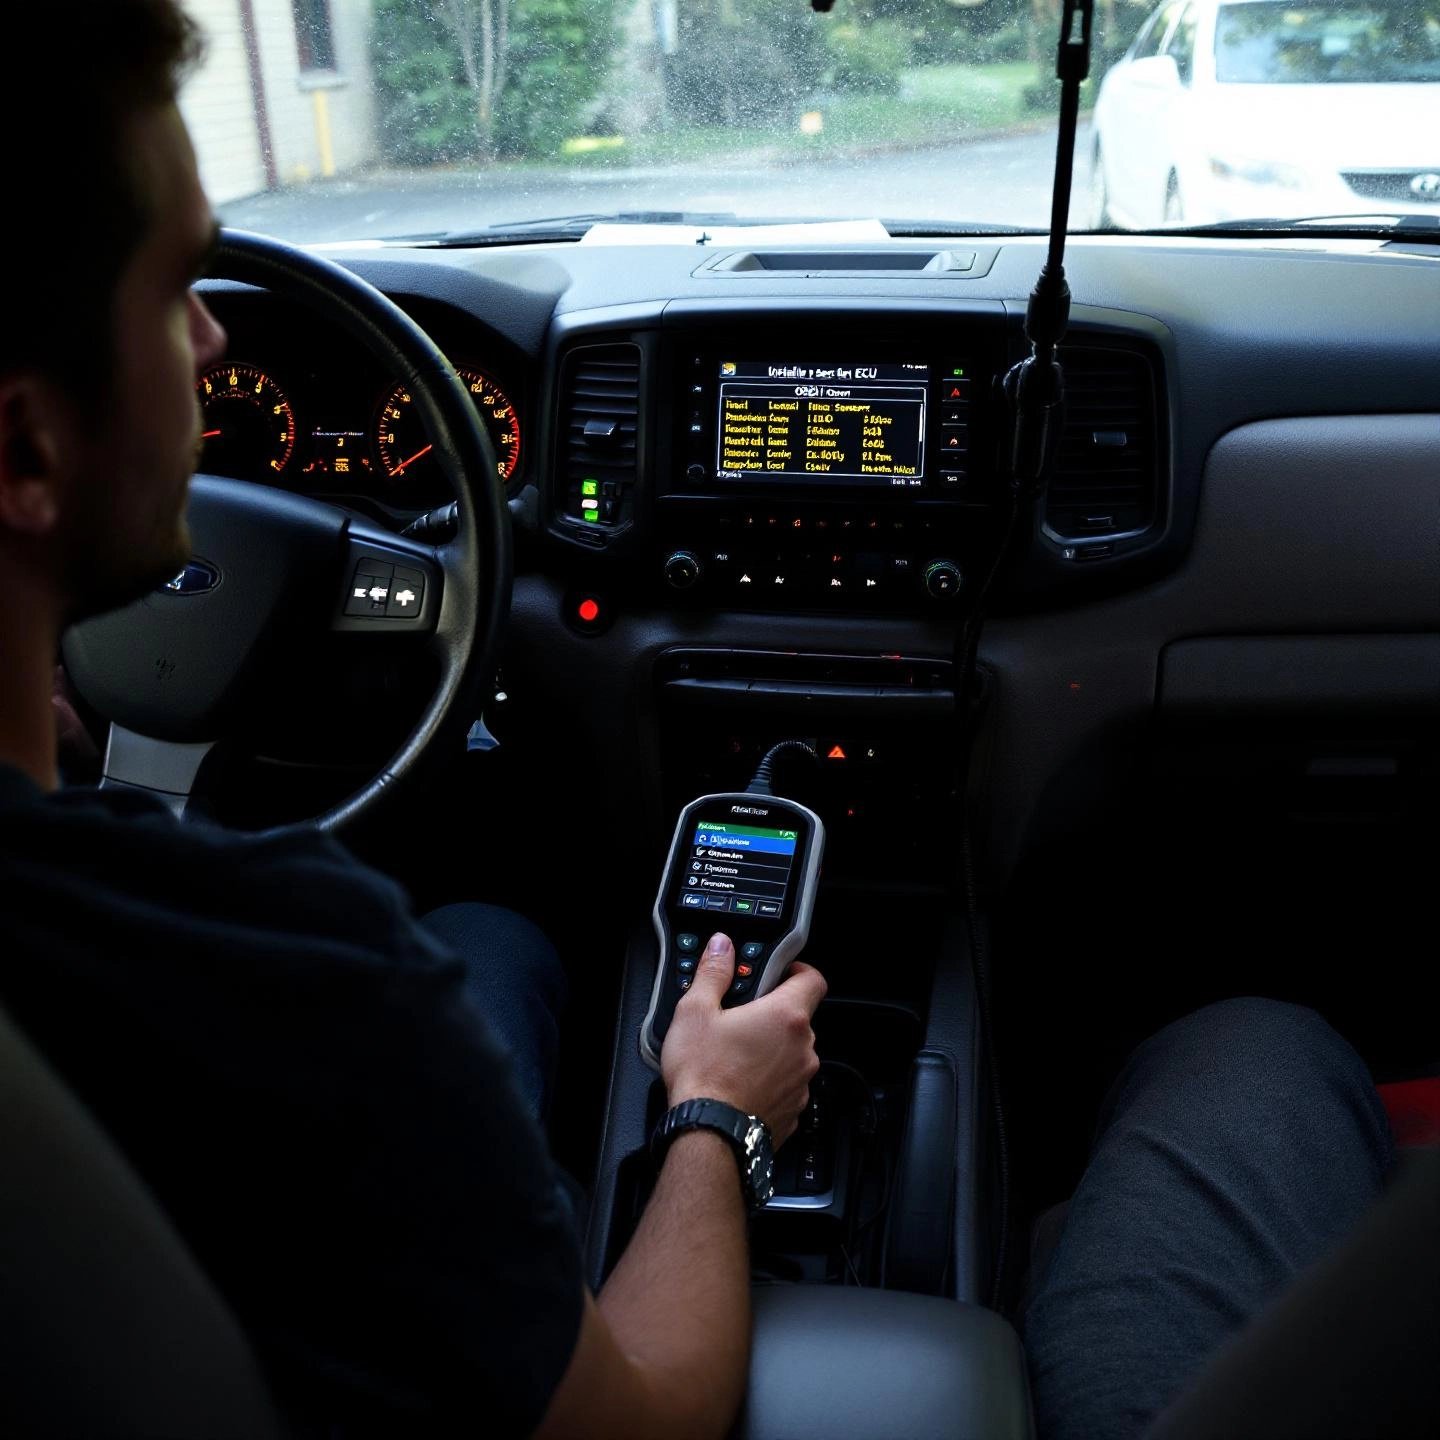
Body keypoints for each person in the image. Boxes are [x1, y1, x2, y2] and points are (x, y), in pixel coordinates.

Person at [0, 4, 824, 1437]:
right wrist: (715, 1112)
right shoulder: (300, 977)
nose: (214, 342)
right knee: (1241, 1053)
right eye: (179, 289)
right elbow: (646, 1421)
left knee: (494, 933)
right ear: (25, 449)